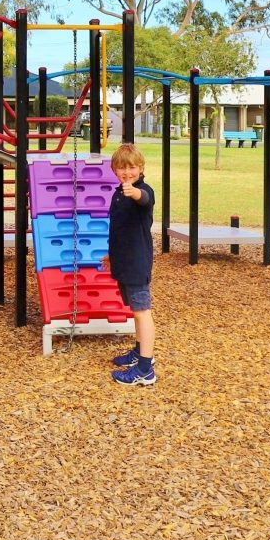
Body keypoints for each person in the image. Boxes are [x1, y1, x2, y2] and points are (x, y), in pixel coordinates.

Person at [101, 143, 156, 386]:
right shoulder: (118, 193)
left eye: (132, 168)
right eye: (122, 168)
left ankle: (145, 369)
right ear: (114, 170)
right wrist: (111, 255)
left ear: (141, 168)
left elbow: (144, 200)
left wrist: (135, 193)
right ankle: (138, 351)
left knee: (143, 311)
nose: (127, 172)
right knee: (135, 310)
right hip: (123, 261)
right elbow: (119, 229)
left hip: (137, 262)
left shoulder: (142, 191)